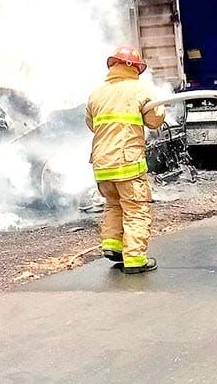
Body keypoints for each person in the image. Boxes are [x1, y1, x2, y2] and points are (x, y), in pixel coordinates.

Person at [85, 45, 165, 274]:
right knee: (135, 208)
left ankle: (113, 246)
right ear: (134, 67)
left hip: (102, 165)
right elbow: (155, 120)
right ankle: (134, 259)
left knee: (113, 204)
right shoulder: (140, 90)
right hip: (127, 163)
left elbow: (91, 124)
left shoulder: (96, 93)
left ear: (113, 65)